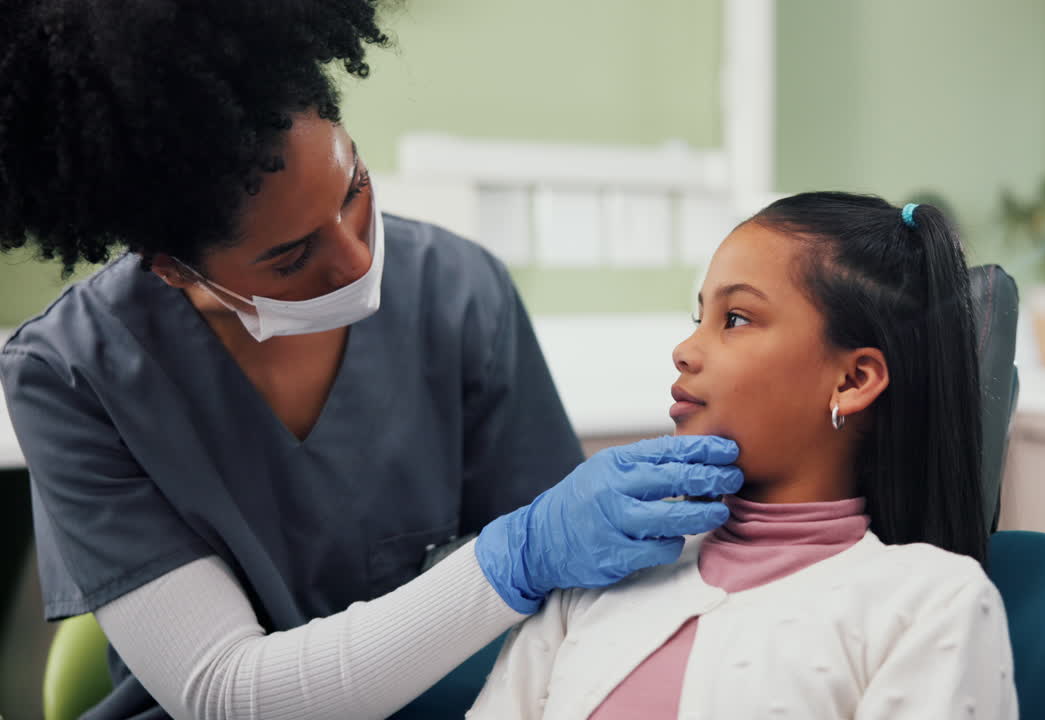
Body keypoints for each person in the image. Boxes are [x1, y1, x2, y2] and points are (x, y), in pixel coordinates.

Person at [0, 2, 743, 718]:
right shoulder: (71, 375)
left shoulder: (458, 290)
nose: (356, 259)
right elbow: (230, 694)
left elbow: (572, 616)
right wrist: (514, 554)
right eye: (291, 256)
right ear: (174, 270)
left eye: (354, 189)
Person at [468, 193, 1019, 719]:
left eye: (735, 319)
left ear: (852, 380)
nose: (683, 351)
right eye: (698, 317)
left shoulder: (931, 604)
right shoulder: (599, 572)